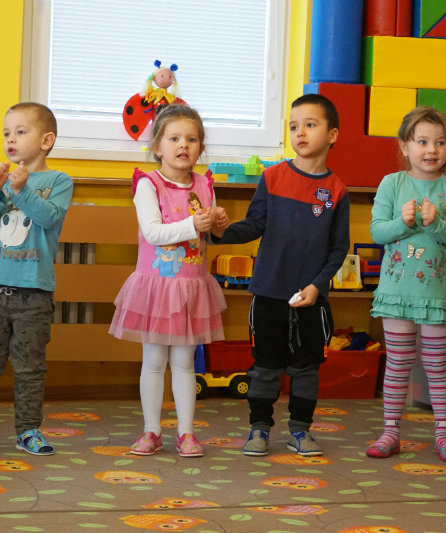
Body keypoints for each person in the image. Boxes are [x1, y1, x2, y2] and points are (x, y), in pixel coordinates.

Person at [212, 93, 350, 457]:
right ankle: (259, 429)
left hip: (311, 298)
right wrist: (220, 232)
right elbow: (254, 224)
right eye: (293, 126)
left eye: (310, 125)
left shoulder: (337, 190)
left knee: (306, 368)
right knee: (265, 367)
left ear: (332, 135)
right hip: (269, 292)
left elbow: (339, 248)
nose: (299, 132)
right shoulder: (272, 177)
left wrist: (317, 286)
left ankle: (301, 431)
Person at [0, 102, 74, 455]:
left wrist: (21, 191)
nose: (11, 139)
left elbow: (48, 218)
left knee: (29, 367)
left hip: (34, 294)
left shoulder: (59, 181)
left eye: (21, 132)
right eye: (7, 133)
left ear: (46, 140)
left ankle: (28, 431)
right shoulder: (3, 180)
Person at [109, 104, 228, 457]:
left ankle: (187, 433)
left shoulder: (205, 184)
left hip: (191, 288)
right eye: (174, 138)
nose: (183, 145)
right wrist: (194, 224)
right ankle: (152, 431)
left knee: (185, 363)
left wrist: (218, 225)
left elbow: (208, 235)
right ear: (157, 146)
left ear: (200, 147)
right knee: (154, 362)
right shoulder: (148, 185)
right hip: (157, 289)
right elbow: (153, 232)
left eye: (192, 139)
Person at [365, 106, 446, 462]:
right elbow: (378, 231)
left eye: (440, 142)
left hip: (437, 297)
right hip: (397, 296)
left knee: (438, 365)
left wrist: (437, 223)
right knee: (397, 363)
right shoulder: (392, 183)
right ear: (405, 146)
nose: (431, 149)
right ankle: (390, 432)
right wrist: (404, 222)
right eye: (422, 141)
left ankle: (443, 433)